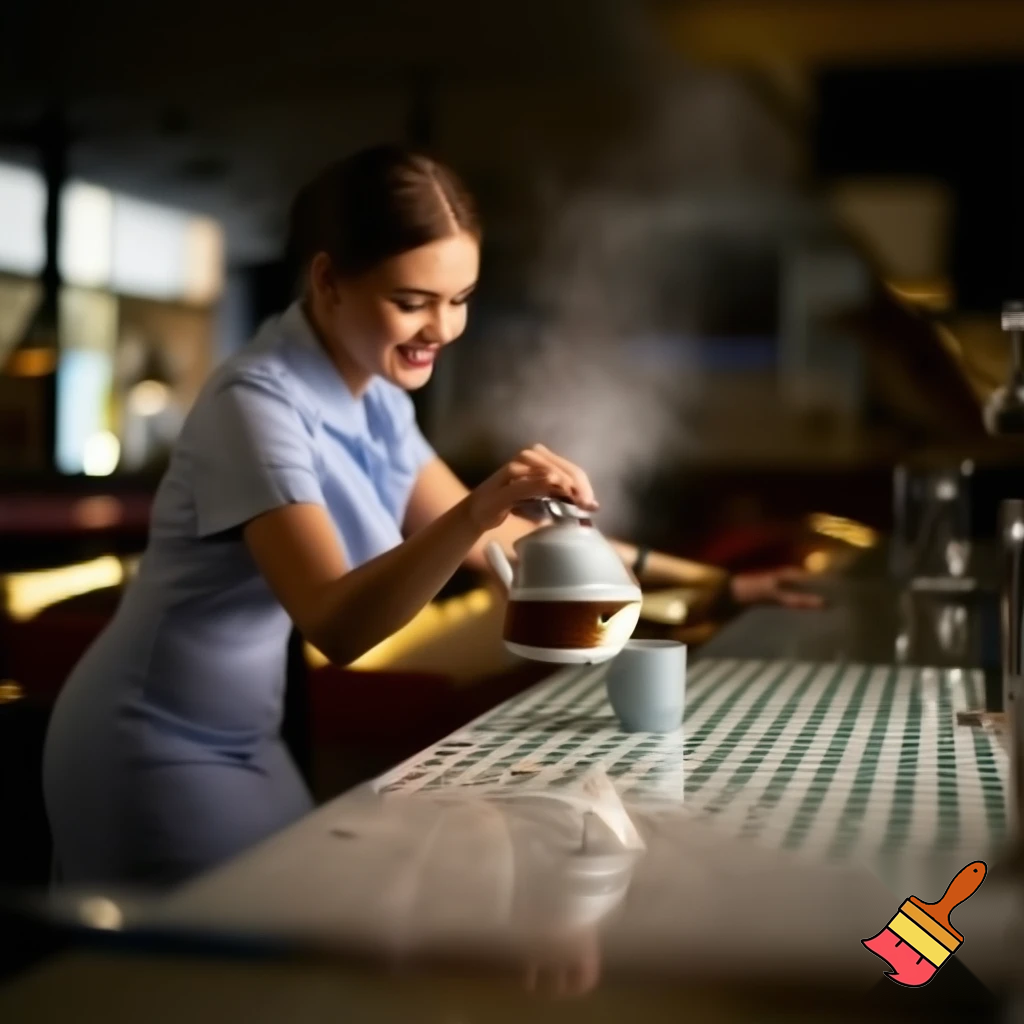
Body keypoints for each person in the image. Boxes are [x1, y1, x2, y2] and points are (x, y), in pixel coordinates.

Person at [43, 145, 817, 890]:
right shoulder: (257, 405)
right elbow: (337, 625)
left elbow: (514, 542)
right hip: (149, 741)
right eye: (411, 303)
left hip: (250, 736)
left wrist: (719, 584)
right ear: (328, 281)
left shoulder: (376, 396)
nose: (441, 329)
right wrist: (476, 510)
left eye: (460, 300)